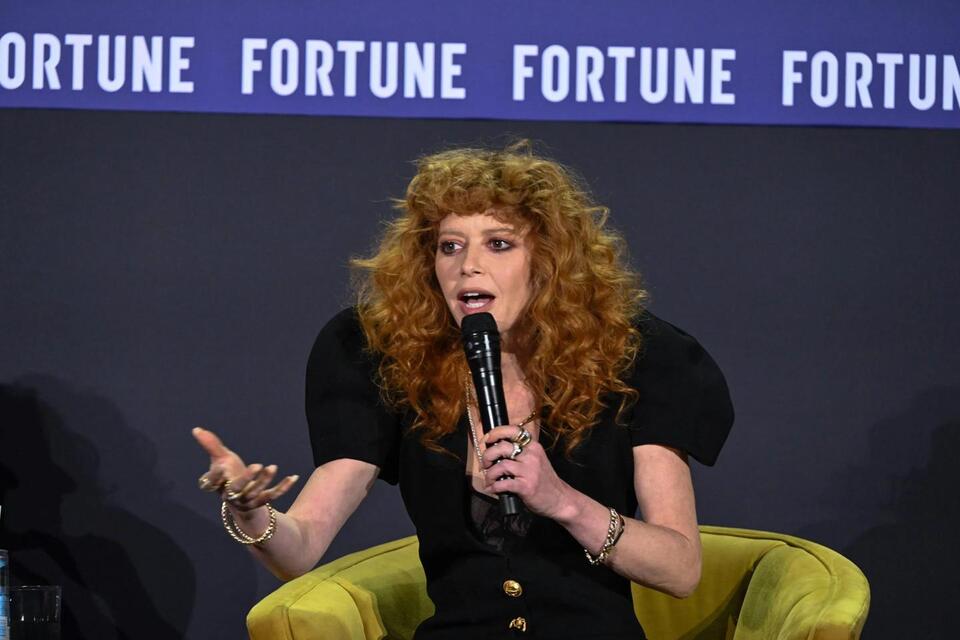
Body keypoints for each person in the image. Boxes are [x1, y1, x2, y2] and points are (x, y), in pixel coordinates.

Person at [193, 141, 734, 638]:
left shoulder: (636, 358)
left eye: (499, 244)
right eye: (449, 246)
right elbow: (300, 548)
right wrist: (250, 512)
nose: (468, 265)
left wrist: (562, 501)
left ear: (549, 262)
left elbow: (680, 569)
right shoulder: (387, 361)